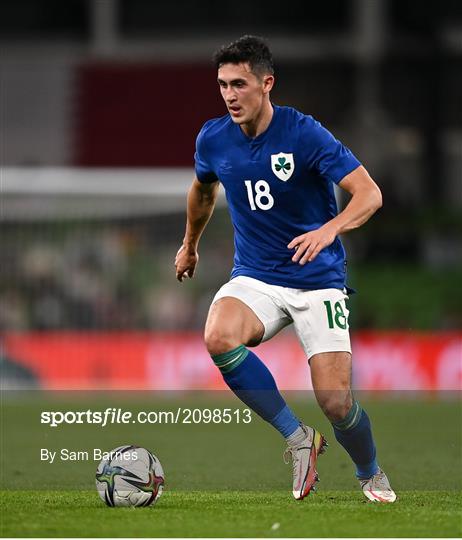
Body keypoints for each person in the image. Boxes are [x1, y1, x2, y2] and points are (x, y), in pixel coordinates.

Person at [175, 35, 396, 503]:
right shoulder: (213, 137)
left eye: (239, 84)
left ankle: (370, 471)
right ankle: (298, 439)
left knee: (336, 403)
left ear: (266, 83)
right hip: (256, 275)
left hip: (317, 279)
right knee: (218, 335)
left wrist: (329, 229)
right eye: (222, 85)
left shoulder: (304, 134)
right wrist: (189, 244)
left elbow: (369, 194)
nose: (230, 95)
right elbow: (202, 191)